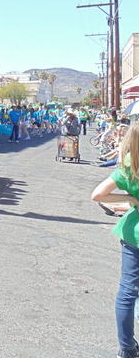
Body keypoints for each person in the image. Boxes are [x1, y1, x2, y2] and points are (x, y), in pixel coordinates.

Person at [91, 123, 139, 358]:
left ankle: (126, 348)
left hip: (134, 234)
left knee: (127, 292)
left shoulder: (130, 167)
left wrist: (130, 198)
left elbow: (98, 195)